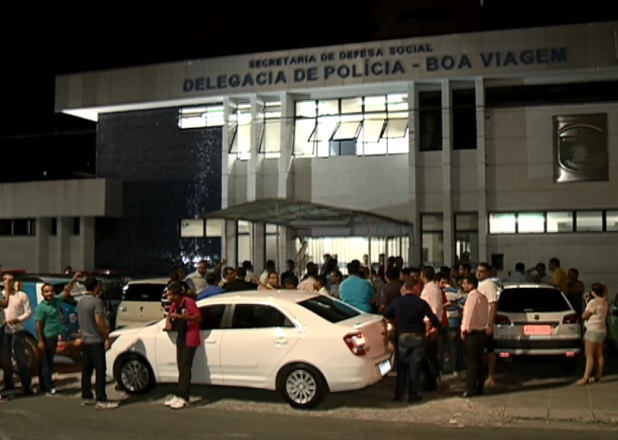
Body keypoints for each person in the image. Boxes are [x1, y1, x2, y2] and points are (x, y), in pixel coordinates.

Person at [384, 277, 441, 403]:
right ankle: (413, 394)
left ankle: (399, 395)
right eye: (418, 288)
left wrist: (397, 319)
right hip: (418, 336)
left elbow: (386, 314)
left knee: (402, 366)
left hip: (403, 335)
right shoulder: (421, 303)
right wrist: (436, 328)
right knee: (415, 366)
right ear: (415, 288)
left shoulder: (397, 302)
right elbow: (434, 318)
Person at [34, 272, 82, 395]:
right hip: (47, 336)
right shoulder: (41, 308)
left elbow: (66, 292)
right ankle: (48, 387)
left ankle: (45, 385)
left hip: (54, 335)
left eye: (51, 291)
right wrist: (40, 340)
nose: (49, 293)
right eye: (46, 291)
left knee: (49, 361)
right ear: (42, 294)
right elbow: (39, 324)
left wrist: (74, 279)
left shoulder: (56, 301)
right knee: (47, 361)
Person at [77, 275, 119, 409]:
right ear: (96, 287)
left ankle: (86, 395)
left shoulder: (81, 301)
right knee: (100, 370)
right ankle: (101, 398)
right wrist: (106, 336)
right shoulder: (97, 302)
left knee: (86, 370)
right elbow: (99, 320)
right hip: (96, 340)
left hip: (86, 339)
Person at [164, 283, 201, 409]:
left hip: (190, 338)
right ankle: (179, 394)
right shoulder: (175, 304)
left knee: (185, 367)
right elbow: (170, 314)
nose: (169, 297)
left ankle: (184, 398)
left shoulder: (189, 302)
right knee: (180, 367)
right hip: (181, 337)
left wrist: (183, 317)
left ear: (176, 295)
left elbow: (198, 317)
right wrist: (169, 320)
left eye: (170, 294)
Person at [0, 272, 33, 395]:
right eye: (5, 280)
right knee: (5, 359)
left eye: (10, 280)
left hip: (18, 331)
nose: (7, 282)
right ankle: (9, 383)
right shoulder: (2, 296)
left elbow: (28, 312)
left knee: (21, 359)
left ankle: (27, 386)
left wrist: (18, 319)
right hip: (5, 331)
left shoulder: (22, 295)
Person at [460, 275, 489, 397]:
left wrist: (464, 329)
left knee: (471, 362)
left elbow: (468, 315)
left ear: (471, 284)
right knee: (480, 361)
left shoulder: (472, 298)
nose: (463, 285)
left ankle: (470, 388)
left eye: (465, 283)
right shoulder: (483, 297)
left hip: (472, 333)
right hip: (482, 331)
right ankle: (479, 386)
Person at [576, 282, 609, 385]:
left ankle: (585, 377)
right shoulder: (604, 302)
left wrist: (587, 304)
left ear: (593, 292)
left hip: (592, 330)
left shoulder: (593, 303)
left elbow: (585, 316)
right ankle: (598, 376)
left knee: (589, 355)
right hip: (601, 329)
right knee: (599, 354)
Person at [419, 266, 443, 390]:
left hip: (430, 325)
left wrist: (428, 326)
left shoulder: (431, 290)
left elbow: (432, 309)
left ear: (423, 275)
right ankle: (432, 378)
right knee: (430, 354)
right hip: (432, 323)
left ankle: (431, 381)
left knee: (429, 355)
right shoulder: (432, 288)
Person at [476, 262, 500, 387]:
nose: (478, 273)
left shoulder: (489, 285)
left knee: (489, 350)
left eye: (482, 271)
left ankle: (490, 376)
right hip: (479, 322)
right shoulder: (480, 284)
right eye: (478, 270)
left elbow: (493, 303)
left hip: (486, 323)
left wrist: (490, 323)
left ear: (488, 273)